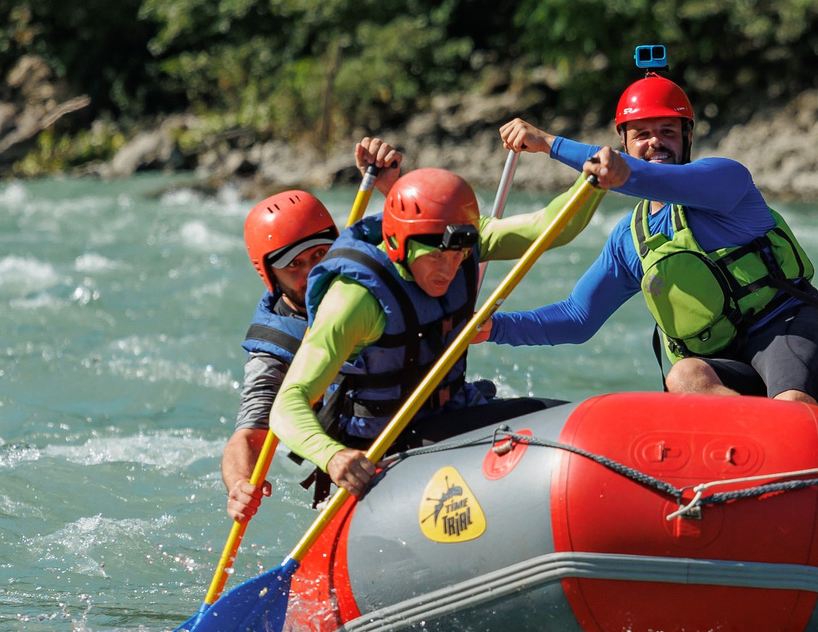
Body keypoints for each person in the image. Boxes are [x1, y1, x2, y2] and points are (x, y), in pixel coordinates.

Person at [483, 71, 818, 405]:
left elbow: (645, 178)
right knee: (684, 375)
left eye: (667, 131)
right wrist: (493, 328)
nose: (655, 142)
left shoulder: (726, 180)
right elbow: (577, 317)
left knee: (789, 403)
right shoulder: (629, 239)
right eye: (642, 134)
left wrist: (549, 143)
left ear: (688, 137)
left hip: (789, 331)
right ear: (624, 141)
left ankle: (789, 432)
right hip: (722, 365)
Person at [269, 139, 594, 499]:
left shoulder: (463, 241)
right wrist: (331, 456)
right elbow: (287, 403)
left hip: (448, 417)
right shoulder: (354, 300)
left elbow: (550, 227)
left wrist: (593, 179)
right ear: (397, 243)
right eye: (436, 257)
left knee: (573, 425)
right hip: (379, 448)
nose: (450, 269)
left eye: (459, 256)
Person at [220, 187, 342, 522]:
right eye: (295, 266)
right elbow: (247, 436)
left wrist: (391, 184)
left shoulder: (365, 277)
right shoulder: (273, 350)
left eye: (319, 255)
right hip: (356, 457)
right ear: (271, 275)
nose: (312, 274)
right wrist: (239, 484)